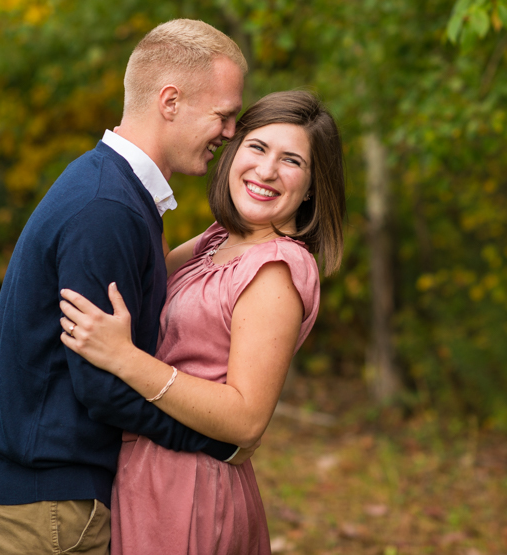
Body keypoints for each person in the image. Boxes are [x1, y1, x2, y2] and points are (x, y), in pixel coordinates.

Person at [0, 19, 253, 555]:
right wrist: (212, 441)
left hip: (49, 498)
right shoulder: (107, 208)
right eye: (224, 114)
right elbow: (99, 384)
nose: (231, 132)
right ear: (170, 101)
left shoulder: (112, 190)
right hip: (49, 506)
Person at [57, 90, 345, 555]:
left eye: (291, 160)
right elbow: (148, 293)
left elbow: (247, 418)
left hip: (187, 488)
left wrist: (125, 360)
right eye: (257, 147)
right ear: (233, 152)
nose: (267, 170)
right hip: (143, 471)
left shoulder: (275, 269)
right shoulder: (217, 239)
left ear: (312, 186)